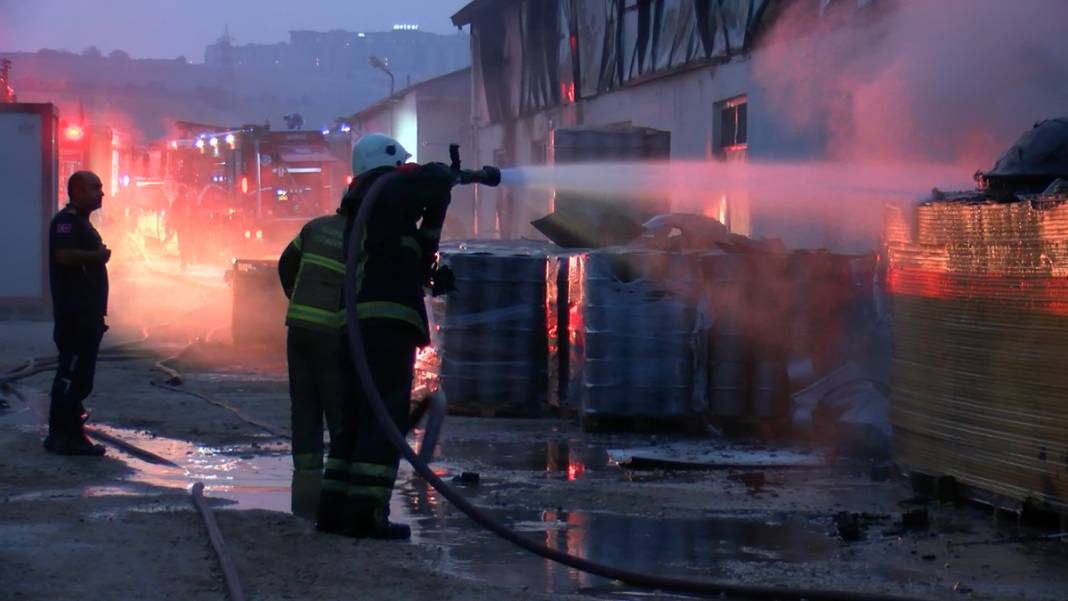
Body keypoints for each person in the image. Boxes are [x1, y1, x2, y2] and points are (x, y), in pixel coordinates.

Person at [316, 133, 452, 540]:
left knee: (355, 418)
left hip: (359, 327)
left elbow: (418, 250)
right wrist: (439, 176)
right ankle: (366, 515)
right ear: (387, 164)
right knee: (383, 416)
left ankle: (334, 510)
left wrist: (437, 210)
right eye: (399, 165)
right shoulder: (385, 191)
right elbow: (420, 185)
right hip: (385, 325)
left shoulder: (371, 208)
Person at [277, 186, 350, 519]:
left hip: (300, 328)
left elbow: (285, 263)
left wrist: (295, 296)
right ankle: (338, 474)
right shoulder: (364, 236)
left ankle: (305, 472)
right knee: (338, 403)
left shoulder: (315, 226)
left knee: (304, 403)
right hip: (333, 333)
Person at [44, 171, 111, 456]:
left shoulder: (81, 222)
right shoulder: (66, 223)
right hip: (75, 315)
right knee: (71, 375)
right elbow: (65, 256)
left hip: (88, 315)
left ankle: (70, 432)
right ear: (78, 190)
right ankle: (64, 436)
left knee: (82, 377)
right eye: (95, 188)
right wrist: (98, 256)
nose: (101, 193)